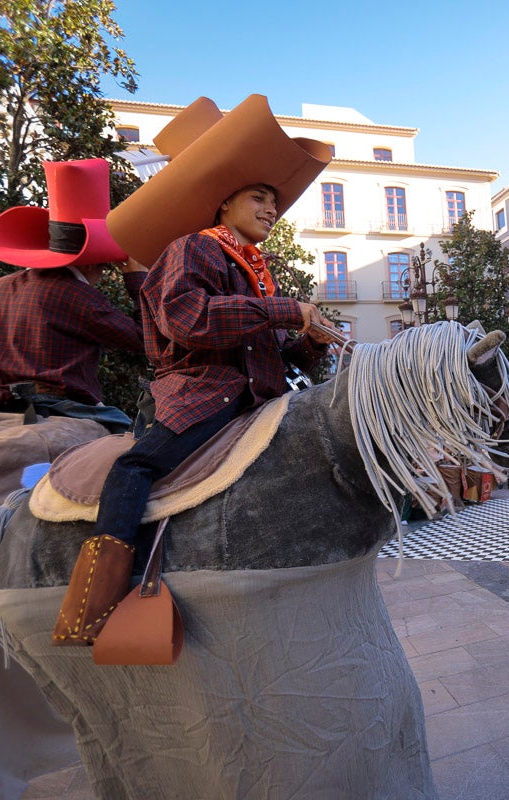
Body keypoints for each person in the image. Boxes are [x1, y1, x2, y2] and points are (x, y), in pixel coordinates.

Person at [52, 96, 338, 645]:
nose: (271, 210)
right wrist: (286, 311)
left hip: (259, 399)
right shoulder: (190, 249)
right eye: (259, 198)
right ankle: (90, 607)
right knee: (135, 466)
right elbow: (191, 321)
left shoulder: (254, 271)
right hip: (203, 394)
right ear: (224, 203)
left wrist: (307, 339)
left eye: (274, 203)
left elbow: (271, 346)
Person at [0, 158, 147, 432]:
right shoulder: (76, 295)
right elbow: (146, 340)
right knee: (136, 446)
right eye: (104, 264)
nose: (102, 274)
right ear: (90, 261)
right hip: (61, 410)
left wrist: (6, 370)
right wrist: (136, 279)